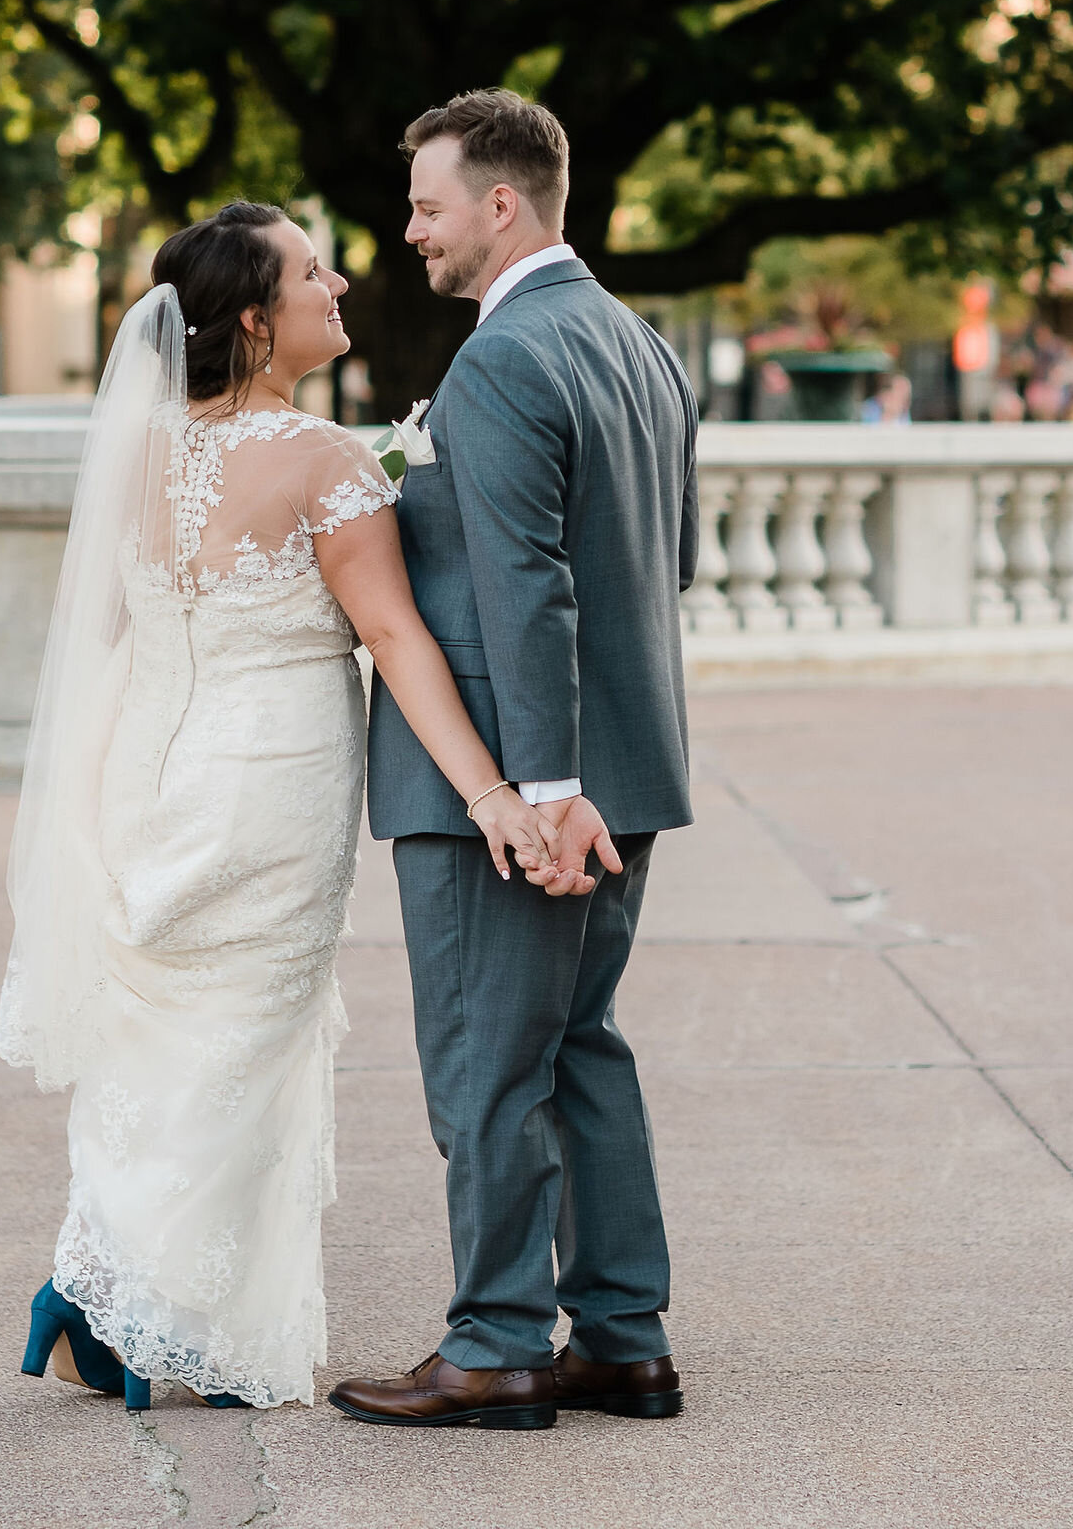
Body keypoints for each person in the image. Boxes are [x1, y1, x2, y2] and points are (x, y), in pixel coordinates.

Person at [0, 200, 554, 1413]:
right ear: (256, 319)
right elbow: (397, 639)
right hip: (269, 782)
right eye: (313, 273)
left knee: (160, 1033)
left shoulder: (132, 453)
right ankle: (127, 1298)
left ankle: (100, 1288)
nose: (341, 283)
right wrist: (493, 791)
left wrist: (86, 797)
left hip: (147, 766)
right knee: (246, 1043)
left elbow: (100, 642)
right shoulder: (324, 463)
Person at [327, 88, 699, 1433]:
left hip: (517, 785)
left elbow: (530, 585)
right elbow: (670, 568)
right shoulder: (642, 349)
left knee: (489, 1059)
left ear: (502, 203)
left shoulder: (500, 362)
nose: (410, 233)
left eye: (427, 207)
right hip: (632, 766)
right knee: (578, 1047)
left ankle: (494, 1345)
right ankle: (622, 1337)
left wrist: (538, 791)